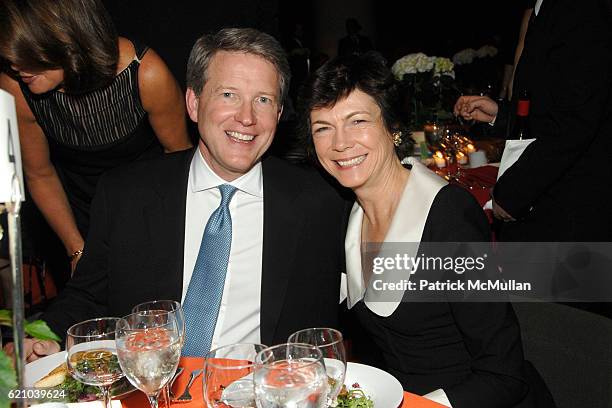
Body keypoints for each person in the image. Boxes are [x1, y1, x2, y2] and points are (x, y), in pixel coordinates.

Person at [8, 27, 348, 361]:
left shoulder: (319, 203)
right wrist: (44, 341)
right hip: (152, 389)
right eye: (228, 95)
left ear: (277, 114)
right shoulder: (127, 194)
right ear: (194, 103)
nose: (247, 117)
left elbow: (378, 293)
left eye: (263, 100)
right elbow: (88, 294)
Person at [298, 52, 554, 407]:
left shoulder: (447, 218)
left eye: (357, 121)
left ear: (393, 128)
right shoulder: (345, 215)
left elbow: (504, 375)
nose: (340, 143)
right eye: (323, 128)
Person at [0, 0, 192, 275]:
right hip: (77, 214)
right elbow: (40, 174)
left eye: (25, 55)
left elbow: (179, 159)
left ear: (66, 37)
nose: (16, 67)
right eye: (10, 56)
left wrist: (166, 235)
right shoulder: (15, 87)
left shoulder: (145, 73)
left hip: (151, 205)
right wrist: (77, 249)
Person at [454, 0, 612, 241]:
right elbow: (552, 105)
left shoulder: (580, 8)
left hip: (570, 216)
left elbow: (574, 122)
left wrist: (514, 192)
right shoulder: (548, 8)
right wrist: (500, 113)